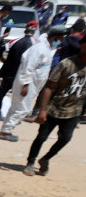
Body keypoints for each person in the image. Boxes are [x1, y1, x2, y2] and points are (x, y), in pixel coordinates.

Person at [23, 40, 86, 176]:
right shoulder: (66, 64)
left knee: (65, 138)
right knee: (41, 137)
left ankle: (46, 159)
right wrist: (42, 110)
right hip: (54, 108)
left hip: (74, 110)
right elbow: (48, 87)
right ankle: (30, 162)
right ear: (82, 45)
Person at [0, 25, 63, 142]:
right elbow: (28, 67)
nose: (61, 40)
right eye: (61, 37)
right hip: (27, 84)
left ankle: (6, 129)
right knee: (23, 108)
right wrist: (26, 84)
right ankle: (5, 132)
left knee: (17, 107)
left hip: (32, 84)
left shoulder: (46, 48)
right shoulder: (39, 49)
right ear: (55, 36)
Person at [0, 21, 37, 121]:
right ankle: (14, 118)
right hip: (22, 75)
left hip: (9, 72)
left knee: (1, 94)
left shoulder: (14, 41)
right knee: (19, 98)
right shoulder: (35, 43)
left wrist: (3, 61)